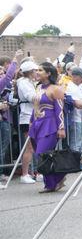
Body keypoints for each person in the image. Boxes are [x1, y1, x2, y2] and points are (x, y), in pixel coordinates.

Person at [29, 62, 67, 193]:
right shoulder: (38, 88)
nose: (37, 72)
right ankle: (56, 179)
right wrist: (30, 122)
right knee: (42, 156)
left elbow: (59, 110)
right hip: (37, 125)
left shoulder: (55, 89)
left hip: (50, 125)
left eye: (40, 70)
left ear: (48, 73)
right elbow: (35, 107)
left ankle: (53, 182)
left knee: (42, 154)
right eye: (37, 70)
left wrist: (61, 128)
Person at [17, 58, 39, 183]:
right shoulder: (24, 83)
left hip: (34, 116)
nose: (37, 72)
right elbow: (31, 97)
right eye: (35, 70)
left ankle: (37, 171)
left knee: (37, 146)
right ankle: (24, 174)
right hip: (27, 117)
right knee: (29, 147)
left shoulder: (31, 83)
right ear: (30, 72)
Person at [0, 51, 21, 179]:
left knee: (5, 146)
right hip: (2, 120)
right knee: (2, 147)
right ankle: (1, 172)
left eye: (2, 72)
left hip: (6, 118)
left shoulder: (6, 86)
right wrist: (14, 60)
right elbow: (8, 77)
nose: (2, 75)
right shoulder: (3, 82)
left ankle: (3, 171)